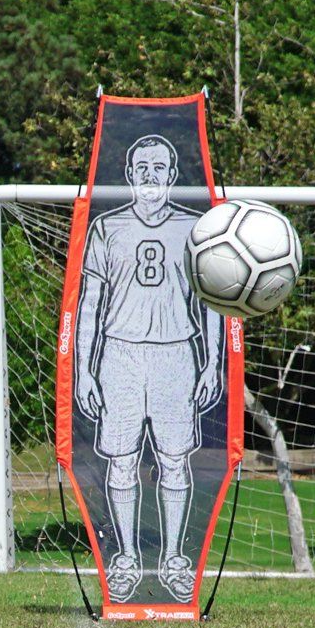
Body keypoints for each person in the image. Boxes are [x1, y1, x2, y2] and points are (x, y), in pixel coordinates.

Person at [71, 133, 223, 601]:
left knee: (175, 462)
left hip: (177, 354)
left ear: (173, 176)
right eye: (142, 168)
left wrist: (212, 363)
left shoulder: (197, 229)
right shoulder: (106, 228)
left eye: (160, 168)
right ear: (130, 175)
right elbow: (89, 304)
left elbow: (213, 304)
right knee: (121, 462)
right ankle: (126, 560)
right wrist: (84, 369)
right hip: (119, 355)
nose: (151, 176)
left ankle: (176, 560)